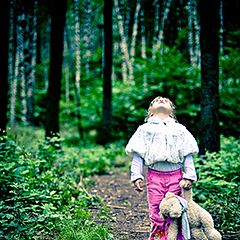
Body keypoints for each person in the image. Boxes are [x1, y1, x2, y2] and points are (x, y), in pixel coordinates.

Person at [125, 96, 199, 240]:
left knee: (175, 209)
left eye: (166, 101)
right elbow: (138, 154)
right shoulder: (144, 130)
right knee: (156, 209)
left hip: (176, 176)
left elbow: (188, 153)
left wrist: (189, 175)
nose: (161, 100)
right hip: (155, 177)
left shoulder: (180, 129)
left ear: (171, 112)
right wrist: (137, 175)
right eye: (156, 101)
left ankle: (176, 237)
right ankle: (159, 236)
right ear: (150, 112)